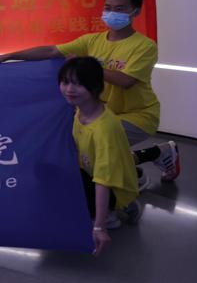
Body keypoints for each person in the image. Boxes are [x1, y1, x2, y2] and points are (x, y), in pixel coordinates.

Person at [0, 0, 181, 184]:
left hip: (137, 115)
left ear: (135, 12)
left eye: (120, 9)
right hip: (96, 112)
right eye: (108, 8)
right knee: (76, 149)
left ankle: (134, 178)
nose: (112, 13)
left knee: (94, 151)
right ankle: (158, 153)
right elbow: (51, 51)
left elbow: (126, 81)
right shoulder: (91, 40)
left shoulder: (145, 46)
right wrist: (8, 56)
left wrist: (86, 65)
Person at [58, 56, 141, 255]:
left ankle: (112, 211)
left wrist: (99, 227)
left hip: (110, 185)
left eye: (78, 84)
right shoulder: (80, 110)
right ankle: (110, 207)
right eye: (65, 82)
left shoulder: (105, 128)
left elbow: (103, 181)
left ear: (95, 87)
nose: (69, 89)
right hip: (90, 172)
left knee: (73, 193)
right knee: (46, 172)